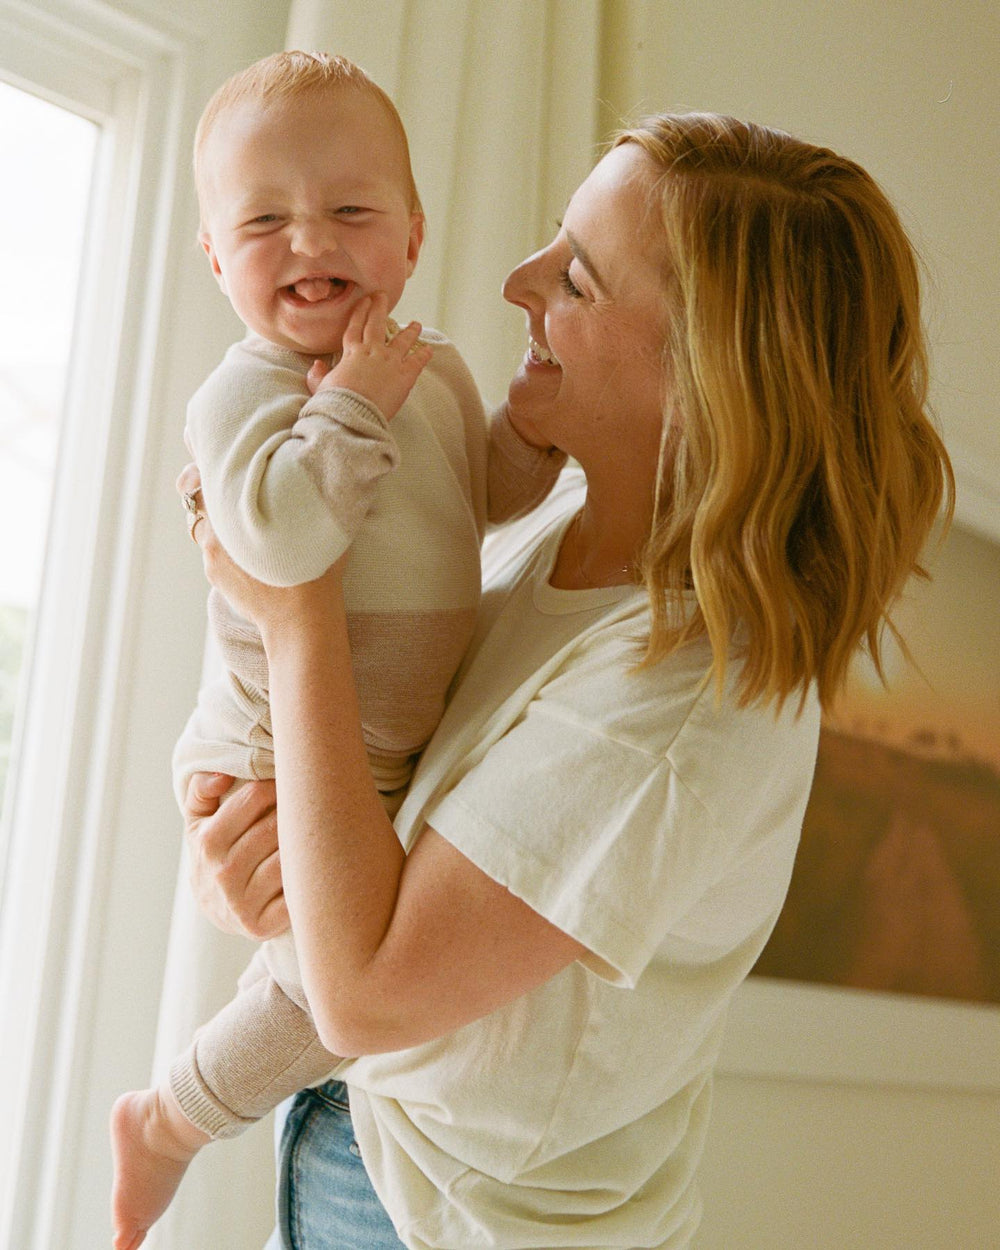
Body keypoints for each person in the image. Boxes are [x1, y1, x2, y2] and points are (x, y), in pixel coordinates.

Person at [179, 113, 952, 1248]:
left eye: (575, 278)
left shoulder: (691, 693)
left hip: (465, 1222)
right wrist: (248, 864)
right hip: (363, 1143)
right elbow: (365, 847)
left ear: (701, 376)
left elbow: (364, 992)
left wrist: (294, 617)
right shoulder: (540, 542)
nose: (513, 280)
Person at [109, 51, 562, 1250]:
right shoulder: (247, 386)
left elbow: (485, 487)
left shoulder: (431, 370)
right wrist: (352, 400)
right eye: (264, 221)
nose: (309, 241)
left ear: (409, 239)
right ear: (216, 257)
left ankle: (186, 1113)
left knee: (349, 981)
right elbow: (282, 541)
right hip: (273, 740)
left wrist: (536, 425)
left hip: (375, 746)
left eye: (349, 211)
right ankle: (164, 1122)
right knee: (330, 990)